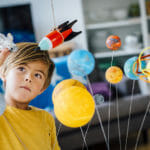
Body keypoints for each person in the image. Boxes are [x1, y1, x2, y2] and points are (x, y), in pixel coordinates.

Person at [0, 42, 61, 150]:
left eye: (37, 75)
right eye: (21, 69)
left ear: (42, 89)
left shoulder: (46, 118)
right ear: (4, 73)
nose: (29, 78)